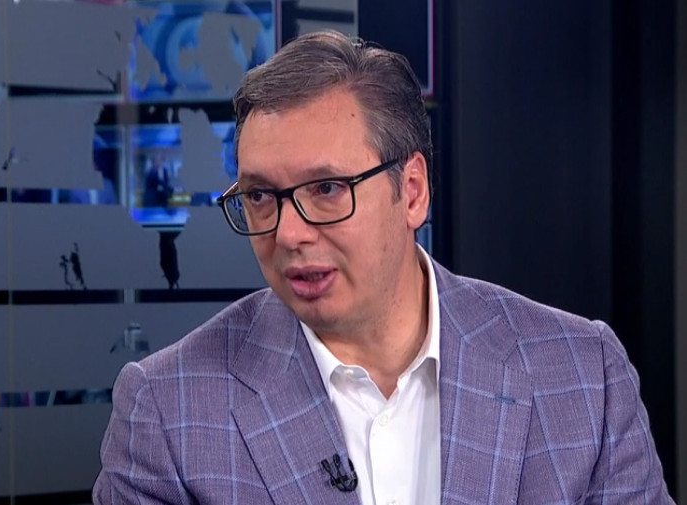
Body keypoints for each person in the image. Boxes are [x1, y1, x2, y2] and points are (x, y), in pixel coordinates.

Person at [92, 30, 674, 505]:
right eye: (261, 196)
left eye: (326, 188)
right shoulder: (168, 411)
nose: (288, 234)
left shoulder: (582, 375)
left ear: (412, 191)